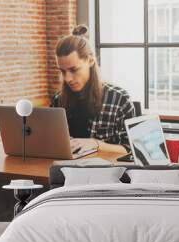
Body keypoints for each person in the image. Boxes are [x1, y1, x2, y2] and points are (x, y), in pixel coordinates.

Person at [53, 25, 135, 153]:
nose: (67, 78)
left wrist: (96, 144)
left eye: (74, 70)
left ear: (90, 61)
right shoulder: (58, 100)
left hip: (105, 171)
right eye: (62, 71)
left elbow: (131, 150)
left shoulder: (119, 99)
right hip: (65, 169)